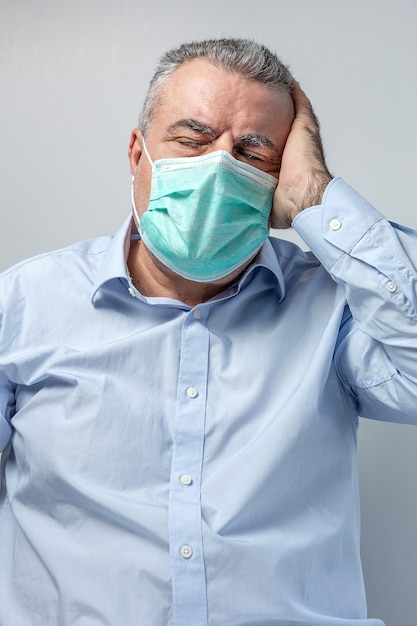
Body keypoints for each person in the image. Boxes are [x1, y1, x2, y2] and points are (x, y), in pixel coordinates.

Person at [0, 37, 416, 626]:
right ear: (136, 152)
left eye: (253, 152)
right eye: (192, 140)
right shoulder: (22, 305)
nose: (218, 166)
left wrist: (317, 195)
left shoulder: (336, 305)